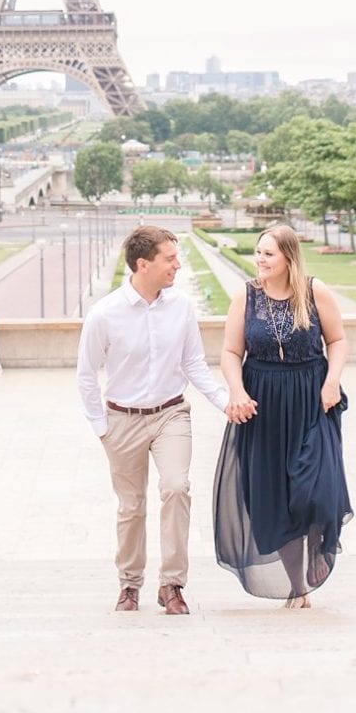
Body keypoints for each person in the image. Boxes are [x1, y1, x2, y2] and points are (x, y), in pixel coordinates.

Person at [76, 225, 231, 615]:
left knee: (177, 487)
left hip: (170, 413)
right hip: (121, 421)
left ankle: (172, 584)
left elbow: (193, 361)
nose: (177, 265)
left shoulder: (180, 306)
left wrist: (224, 401)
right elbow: (86, 373)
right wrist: (100, 427)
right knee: (131, 507)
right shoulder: (104, 314)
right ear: (143, 264)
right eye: (170, 258)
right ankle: (129, 585)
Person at [213, 222, 353, 605]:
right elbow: (229, 352)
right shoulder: (246, 297)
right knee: (274, 496)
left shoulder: (313, 292)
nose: (260, 259)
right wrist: (237, 390)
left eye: (268, 253)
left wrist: (332, 381)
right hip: (264, 404)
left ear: (289, 257)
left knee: (316, 487)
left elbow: (337, 340)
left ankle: (318, 546)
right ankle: (298, 584)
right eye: (258, 252)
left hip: (311, 398)